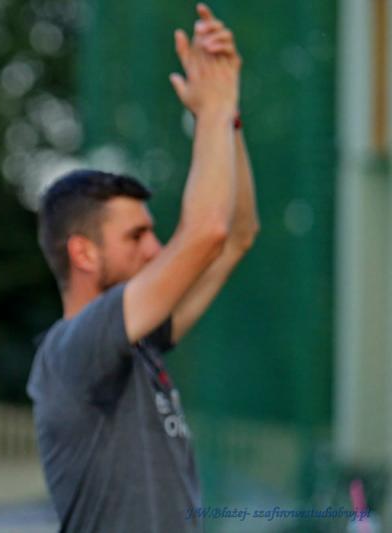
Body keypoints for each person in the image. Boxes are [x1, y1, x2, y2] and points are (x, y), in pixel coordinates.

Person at [27, 5, 258, 532]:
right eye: (136, 236)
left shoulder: (139, 343)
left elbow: (235, 236)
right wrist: (212, 110)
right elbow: (207, 233)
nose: (155, 249)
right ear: (83, 253)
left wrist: (227, 117)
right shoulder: (74, 349)